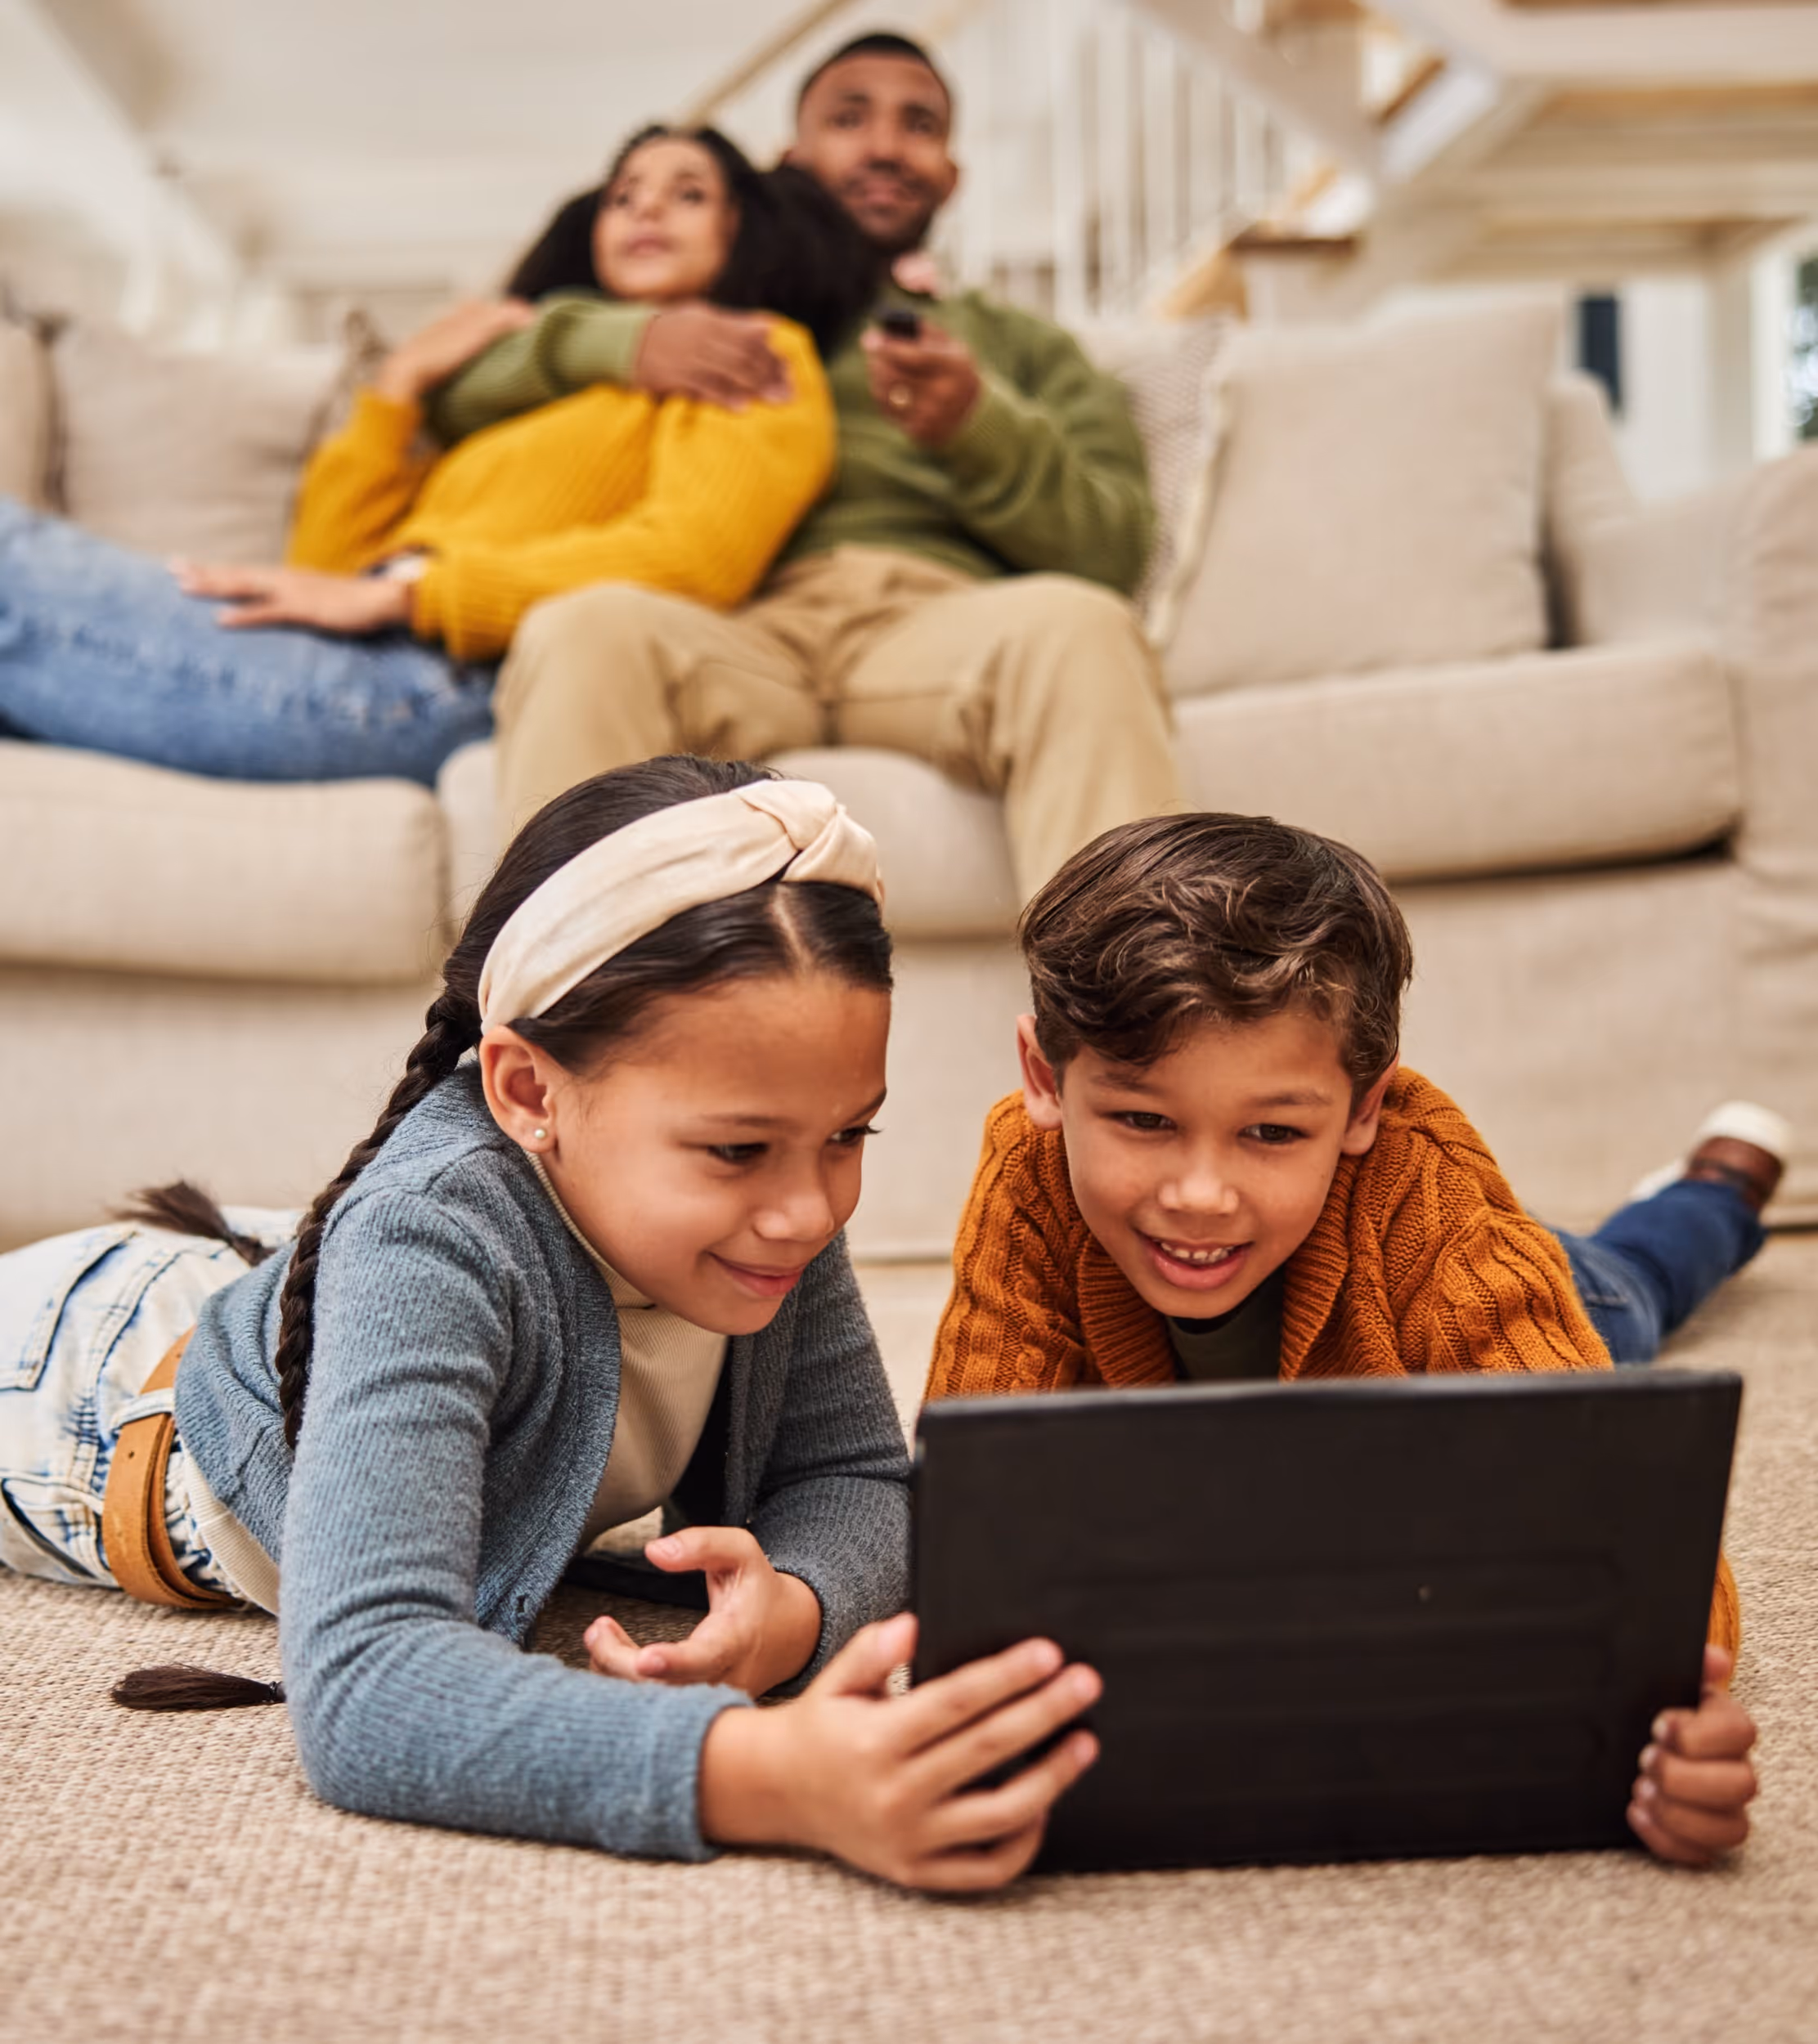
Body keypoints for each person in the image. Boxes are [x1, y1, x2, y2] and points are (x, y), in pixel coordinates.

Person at [0, 756, 1101, 1890]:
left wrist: (791, 1611)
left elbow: (857, 1478)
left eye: (847, 1137)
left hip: (292, 1276)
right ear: (528, 1092)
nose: (810, 1210)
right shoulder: (430, 1239)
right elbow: (368, 1680)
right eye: (736, 1150)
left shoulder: (762, 1214)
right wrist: (767, 1767)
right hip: (85, 1394)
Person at [925, 811, 1775, 1868]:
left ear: (1362, 1107)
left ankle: (1712, 1192)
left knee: (1637, 1283)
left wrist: (1667, 1731)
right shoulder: (1027, 1173)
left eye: (1271, 1132)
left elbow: (1651, 1572)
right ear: (1045, 1079)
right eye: (1142, 1121)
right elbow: (978, 1519)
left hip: (1526, 1295)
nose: (1199, 1196)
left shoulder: (1430, 1201)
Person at [431, 32, 1185, 901]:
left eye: (920, 124)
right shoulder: (710, 312)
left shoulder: (1025, 347)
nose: (884, 145)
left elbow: (1115, 548)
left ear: (951, 174)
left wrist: (980, 426)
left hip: (939, 627)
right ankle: (564, 1024)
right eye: (849, 117)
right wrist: (635, 338)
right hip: (740, 626)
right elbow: (454, 395)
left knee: (1082, 628)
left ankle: (1128, 1029)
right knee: (582, 628)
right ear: (788, 161)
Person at [0, 128, 872, 787]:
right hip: (368, 660)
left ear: (739, 228)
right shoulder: (524, 399)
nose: (644, 208)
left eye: (687, 193)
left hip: (453, 682)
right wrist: (402, 384)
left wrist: (412, 592)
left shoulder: (759, 354)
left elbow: (691, 558)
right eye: (622, 193)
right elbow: (327, 567)